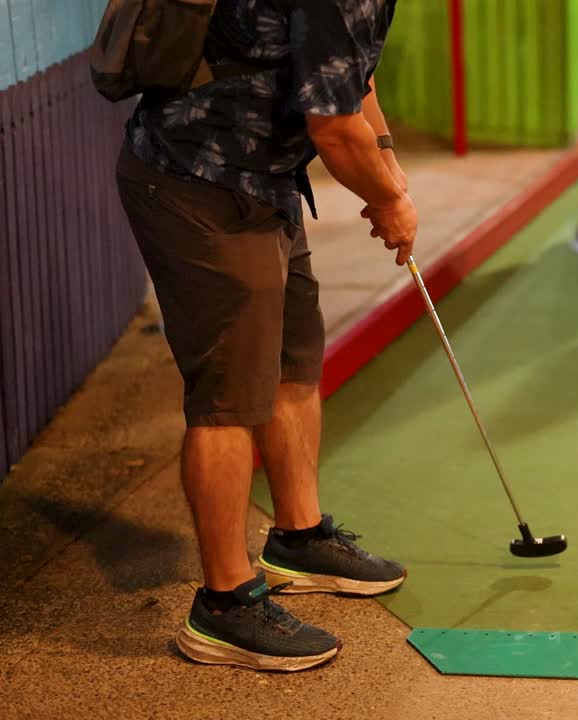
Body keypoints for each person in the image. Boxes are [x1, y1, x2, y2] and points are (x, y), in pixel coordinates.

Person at [113, 0, 414, 672]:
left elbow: (352, 78)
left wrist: (386, 165)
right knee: (229, 398)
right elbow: (334, 126)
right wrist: (389, 199)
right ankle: (223, 605)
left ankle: (298, 540)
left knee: (293, 359)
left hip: (265, 180)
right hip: (198, 180)